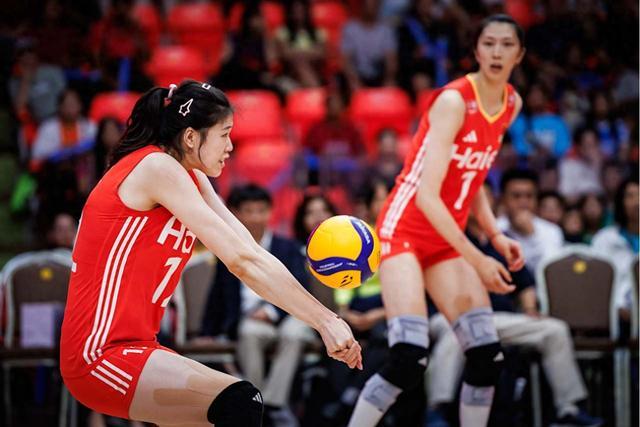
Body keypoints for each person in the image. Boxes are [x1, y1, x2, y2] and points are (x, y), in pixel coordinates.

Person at [59, 80, 362, 427]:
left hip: (140, 347)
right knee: (239, 402)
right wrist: (325, 322)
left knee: (231, 407)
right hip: (99, 355)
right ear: (191, 137)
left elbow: (251, 252)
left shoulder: (192, 178)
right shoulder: (156, 167)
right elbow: (241, 263)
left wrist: (326, 319)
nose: (231, 147)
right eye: (224, 134)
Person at [348, 14, 526, 427]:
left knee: (486, 356)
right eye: (488, 43)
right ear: (476, 49)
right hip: (404, 229)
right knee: (408, 358)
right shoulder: (453, 101)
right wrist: (478, 258)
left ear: (519, 55)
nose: (496, 52)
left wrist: (495, 234)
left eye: (506, 45)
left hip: (446, 237)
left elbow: (473, 177)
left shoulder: (511, 104)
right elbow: (428, 197)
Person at [426, 215, 602, 427]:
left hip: (498, 318)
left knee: (555, 330)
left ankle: (569, 410)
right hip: (449, 316)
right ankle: (437, 410)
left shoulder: (500, 241)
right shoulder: (443, 236)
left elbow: (525, 283)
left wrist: (529, 309)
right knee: (456, 331)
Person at [199, 183, 315, 427]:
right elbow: (217, 296)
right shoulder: (227, 249)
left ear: (270, 212)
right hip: (251, 320)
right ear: (235, 213)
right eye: (248, 211)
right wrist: (207, 332)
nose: (255, 217)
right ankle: (257, 401)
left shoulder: (288, 247)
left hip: (288, 314)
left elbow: (301, 287)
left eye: (260, 210)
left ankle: (271, 405)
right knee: (249, 332)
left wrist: (271, 311)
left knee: (294, 333)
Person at [497, 169, 564, 272]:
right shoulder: (495, 229)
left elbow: (551, 272)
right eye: (516, 196)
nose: (523, 202)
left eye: (529, 196)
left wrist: (531, 235)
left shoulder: (552, 231)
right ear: (503, 199)